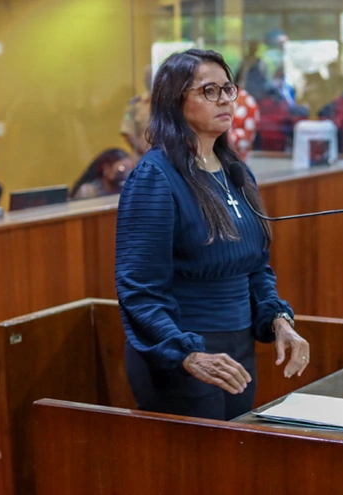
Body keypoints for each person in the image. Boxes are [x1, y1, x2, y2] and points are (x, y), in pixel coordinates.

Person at [115, 48, 310, 421]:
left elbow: (256, 267)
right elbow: (138, 288)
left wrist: (278, 320)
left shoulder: (236, 171)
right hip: (184, 355)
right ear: (174, 101)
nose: (224, 99)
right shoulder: (155, 176)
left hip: (237, 349)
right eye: (208, 90)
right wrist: (186, 353)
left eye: (227, 88)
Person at [70, 148, 134, 199]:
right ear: (106, 168)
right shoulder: (88, 191)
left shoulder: (127, 190)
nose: (125, 174)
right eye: (122, 169)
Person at [120, 65, 152, 165]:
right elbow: (128, 133)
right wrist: (149, 154)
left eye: (151, 76)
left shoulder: (168, 103)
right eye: (147, 77)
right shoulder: (134, 104)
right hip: (142, 161)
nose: (149, 80)